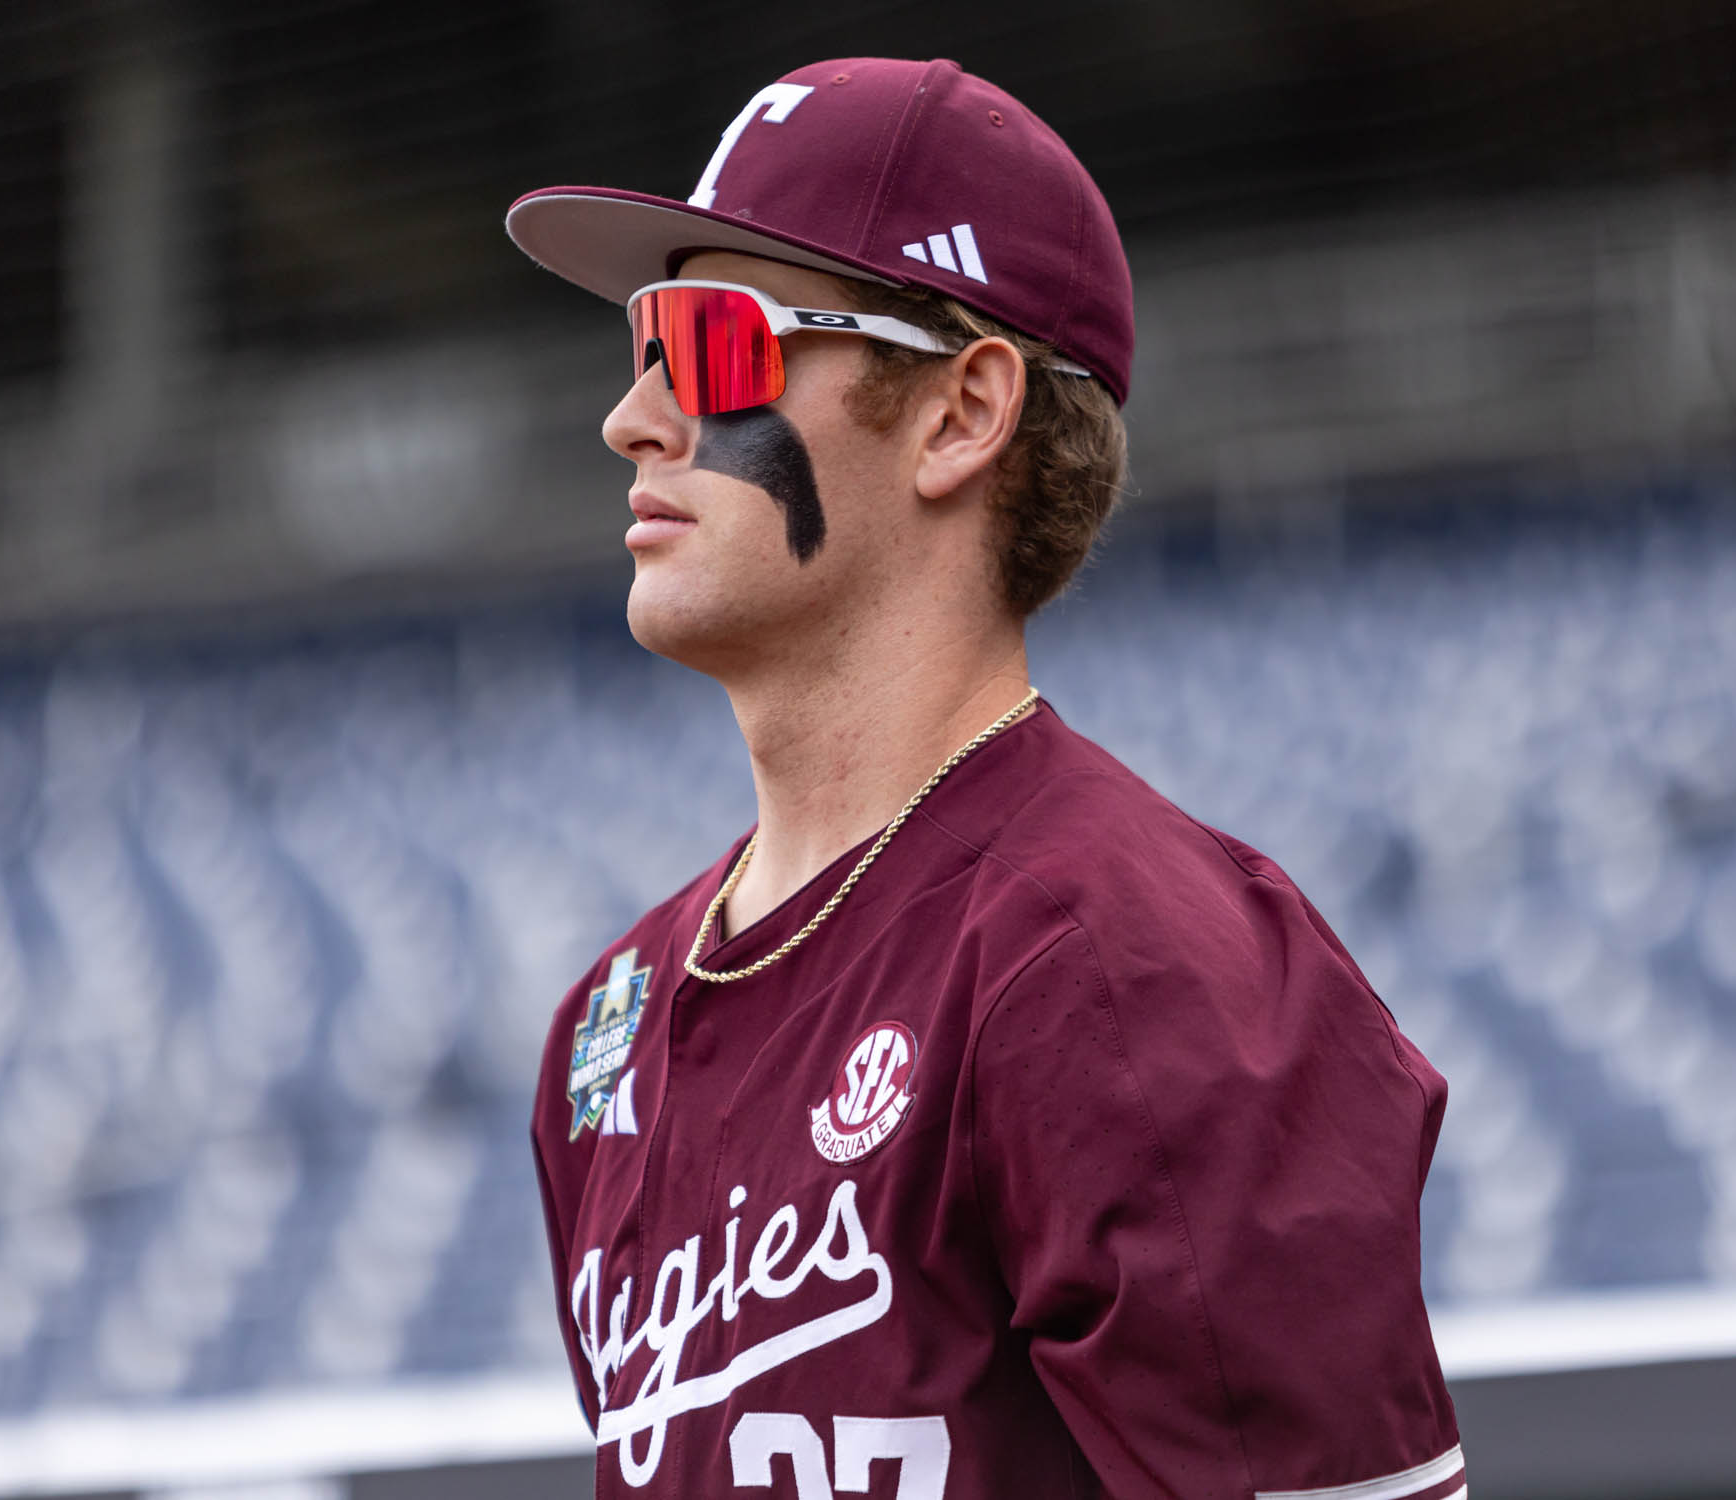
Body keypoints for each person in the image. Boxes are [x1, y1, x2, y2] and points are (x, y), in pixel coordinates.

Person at [507, 57, 1465, 1500]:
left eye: (708, 343)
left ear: (962, 413)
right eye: (641, 341)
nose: (633, 419)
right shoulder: (610, 1024)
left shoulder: (1122, 958)